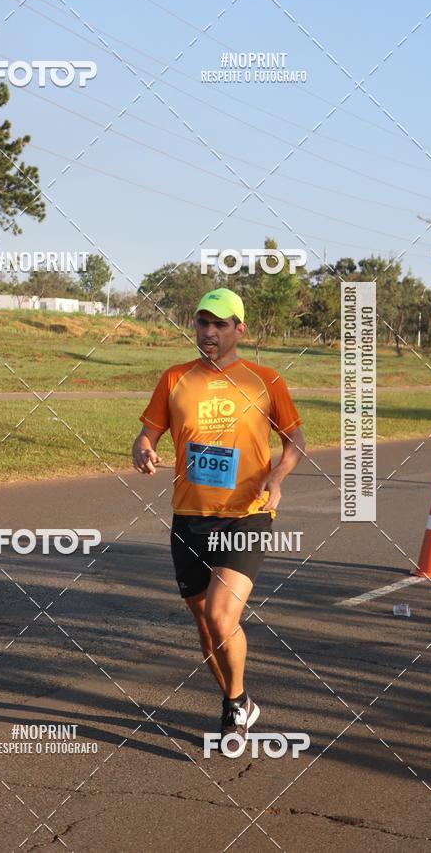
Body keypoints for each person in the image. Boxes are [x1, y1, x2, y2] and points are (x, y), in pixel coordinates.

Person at [132, 288, 304, 754]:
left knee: (220, 614)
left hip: (246, 515)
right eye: (203, 322)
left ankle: (232, 708)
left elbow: (294, 442)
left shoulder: (265, 380)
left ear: (239, 330)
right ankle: (240, 699)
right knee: (206, 627)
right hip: (189, 518)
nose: (209, 332)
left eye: (220, 324)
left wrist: (278, 477)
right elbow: (147, 432)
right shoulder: (174, 379)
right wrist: (144, 448)